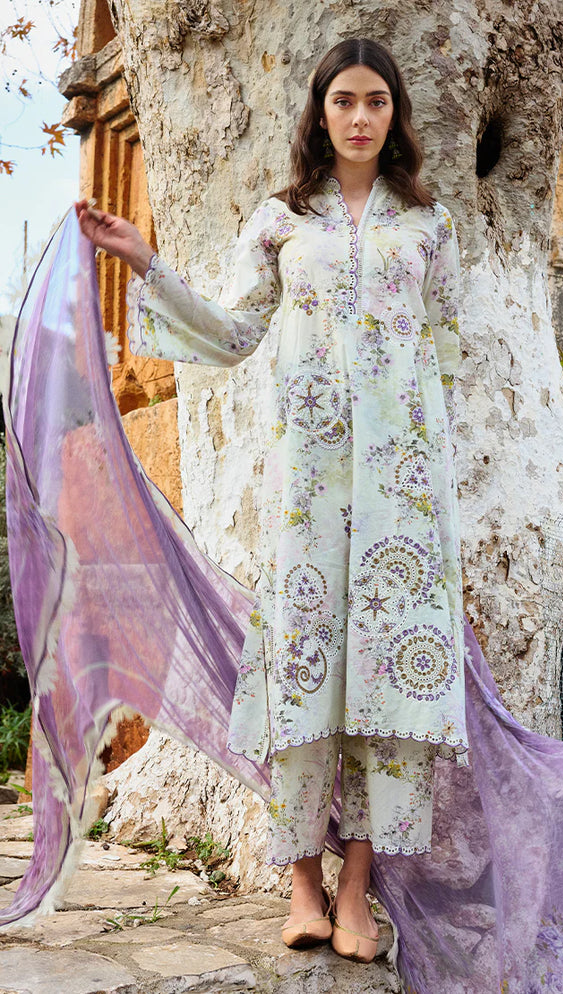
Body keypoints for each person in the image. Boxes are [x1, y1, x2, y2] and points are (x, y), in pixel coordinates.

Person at [75, 37, 467, 963]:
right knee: (302, 668)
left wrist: (432, 481)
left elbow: (446, 352)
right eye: (344, 101)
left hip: (404, 495)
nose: (361, 117)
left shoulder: (430, 225)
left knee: (388, 679)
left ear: (396, 114)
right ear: (320, 113)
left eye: (376, 101)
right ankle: (301, 883)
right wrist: (144, 261)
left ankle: (359, 888)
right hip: (309, 487)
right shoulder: (281, 221)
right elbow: (232, 330)